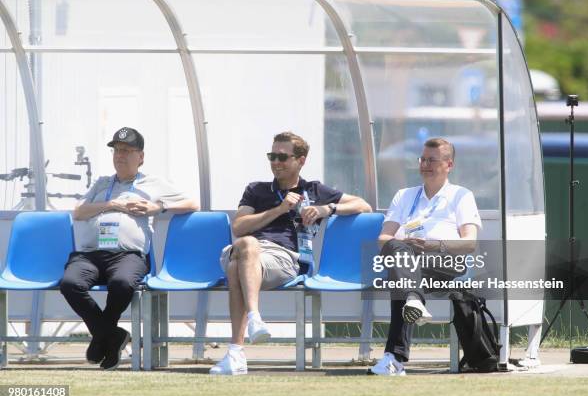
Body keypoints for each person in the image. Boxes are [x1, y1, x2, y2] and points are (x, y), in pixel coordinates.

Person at [210, 131, 372, 375]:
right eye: (272, 156)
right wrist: (279, 209)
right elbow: (238, 226)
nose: (275, 162)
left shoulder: (313, 189)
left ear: (301, 160)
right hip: (244, 249)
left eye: (282, 157)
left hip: (283, 259)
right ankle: (254, 317)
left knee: (236, 267)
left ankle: (236, 353)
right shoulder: (256, 189)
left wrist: (327, 209)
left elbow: (364, 205)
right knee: (247, 244)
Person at [59, 127, 199, 370]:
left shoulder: (153, 183)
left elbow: (193, 203)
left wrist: (159, 207)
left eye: (126, 151)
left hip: (128, 255)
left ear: (141, 157)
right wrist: (111, 204)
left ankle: (103, 336)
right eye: (116, 150)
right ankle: (111, 335)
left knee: (122, 284)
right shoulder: (102, 184)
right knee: (70, 284)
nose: (119, 156)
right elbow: (79, 212)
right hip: (91, 254)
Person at [370, 137, 482, 376]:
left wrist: (433, 245)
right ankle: (413, 300)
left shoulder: (461, 195)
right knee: (400, 255)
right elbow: (382, 239)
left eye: (432, 160)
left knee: (401, 272)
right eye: (422, 159)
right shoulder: (404, 195)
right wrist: (405, 243)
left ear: (448, 165)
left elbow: (470, 243)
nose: (425, 164)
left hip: (445, 262)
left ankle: (395, 358)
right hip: (409, 262)